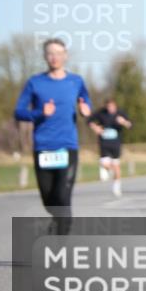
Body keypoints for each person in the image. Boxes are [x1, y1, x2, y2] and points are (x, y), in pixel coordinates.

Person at [13, 38, 92, 233]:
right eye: (50, 53)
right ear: (44, 57)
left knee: (63, 198)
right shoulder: (35, 82)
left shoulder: (76, 81)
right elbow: (19, 111)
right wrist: (40, 112)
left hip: (68, 146)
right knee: (49, 200)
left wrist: (85, 109)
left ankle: (59, 248)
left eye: (58, 53)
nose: (54, 57)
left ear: (65, 56)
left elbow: (86, 103)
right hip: (43, 147)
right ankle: (58, 224)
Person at [87, 98, 133, 198]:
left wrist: (124, 122)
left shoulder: (120, 113)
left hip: (116, 143)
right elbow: (89, 120)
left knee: (116, 165)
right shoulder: (101, 113)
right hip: (104, 143)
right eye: (108, 107)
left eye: (112, 107)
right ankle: (108, 170)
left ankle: (117, 187)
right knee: (105, 163)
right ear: (106, 106)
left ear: (115, 106)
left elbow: (130, 125)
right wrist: (96, 128)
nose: (110, 109)